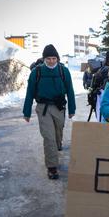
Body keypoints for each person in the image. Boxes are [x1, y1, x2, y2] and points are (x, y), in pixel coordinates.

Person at [23, 44, 76, 180]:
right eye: (48, 58)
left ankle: (58, 144)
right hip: (43, 108)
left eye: (54, 58)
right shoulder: (37, 72)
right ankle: (52, 168)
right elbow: (29, 92)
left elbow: (70, 90)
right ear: (44, 58)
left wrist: (72, 109)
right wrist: (27, 111)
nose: (51, 61)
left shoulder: (63, 71)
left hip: (59, 107)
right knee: (49, 137)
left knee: (58, 132)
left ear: (57, 58)